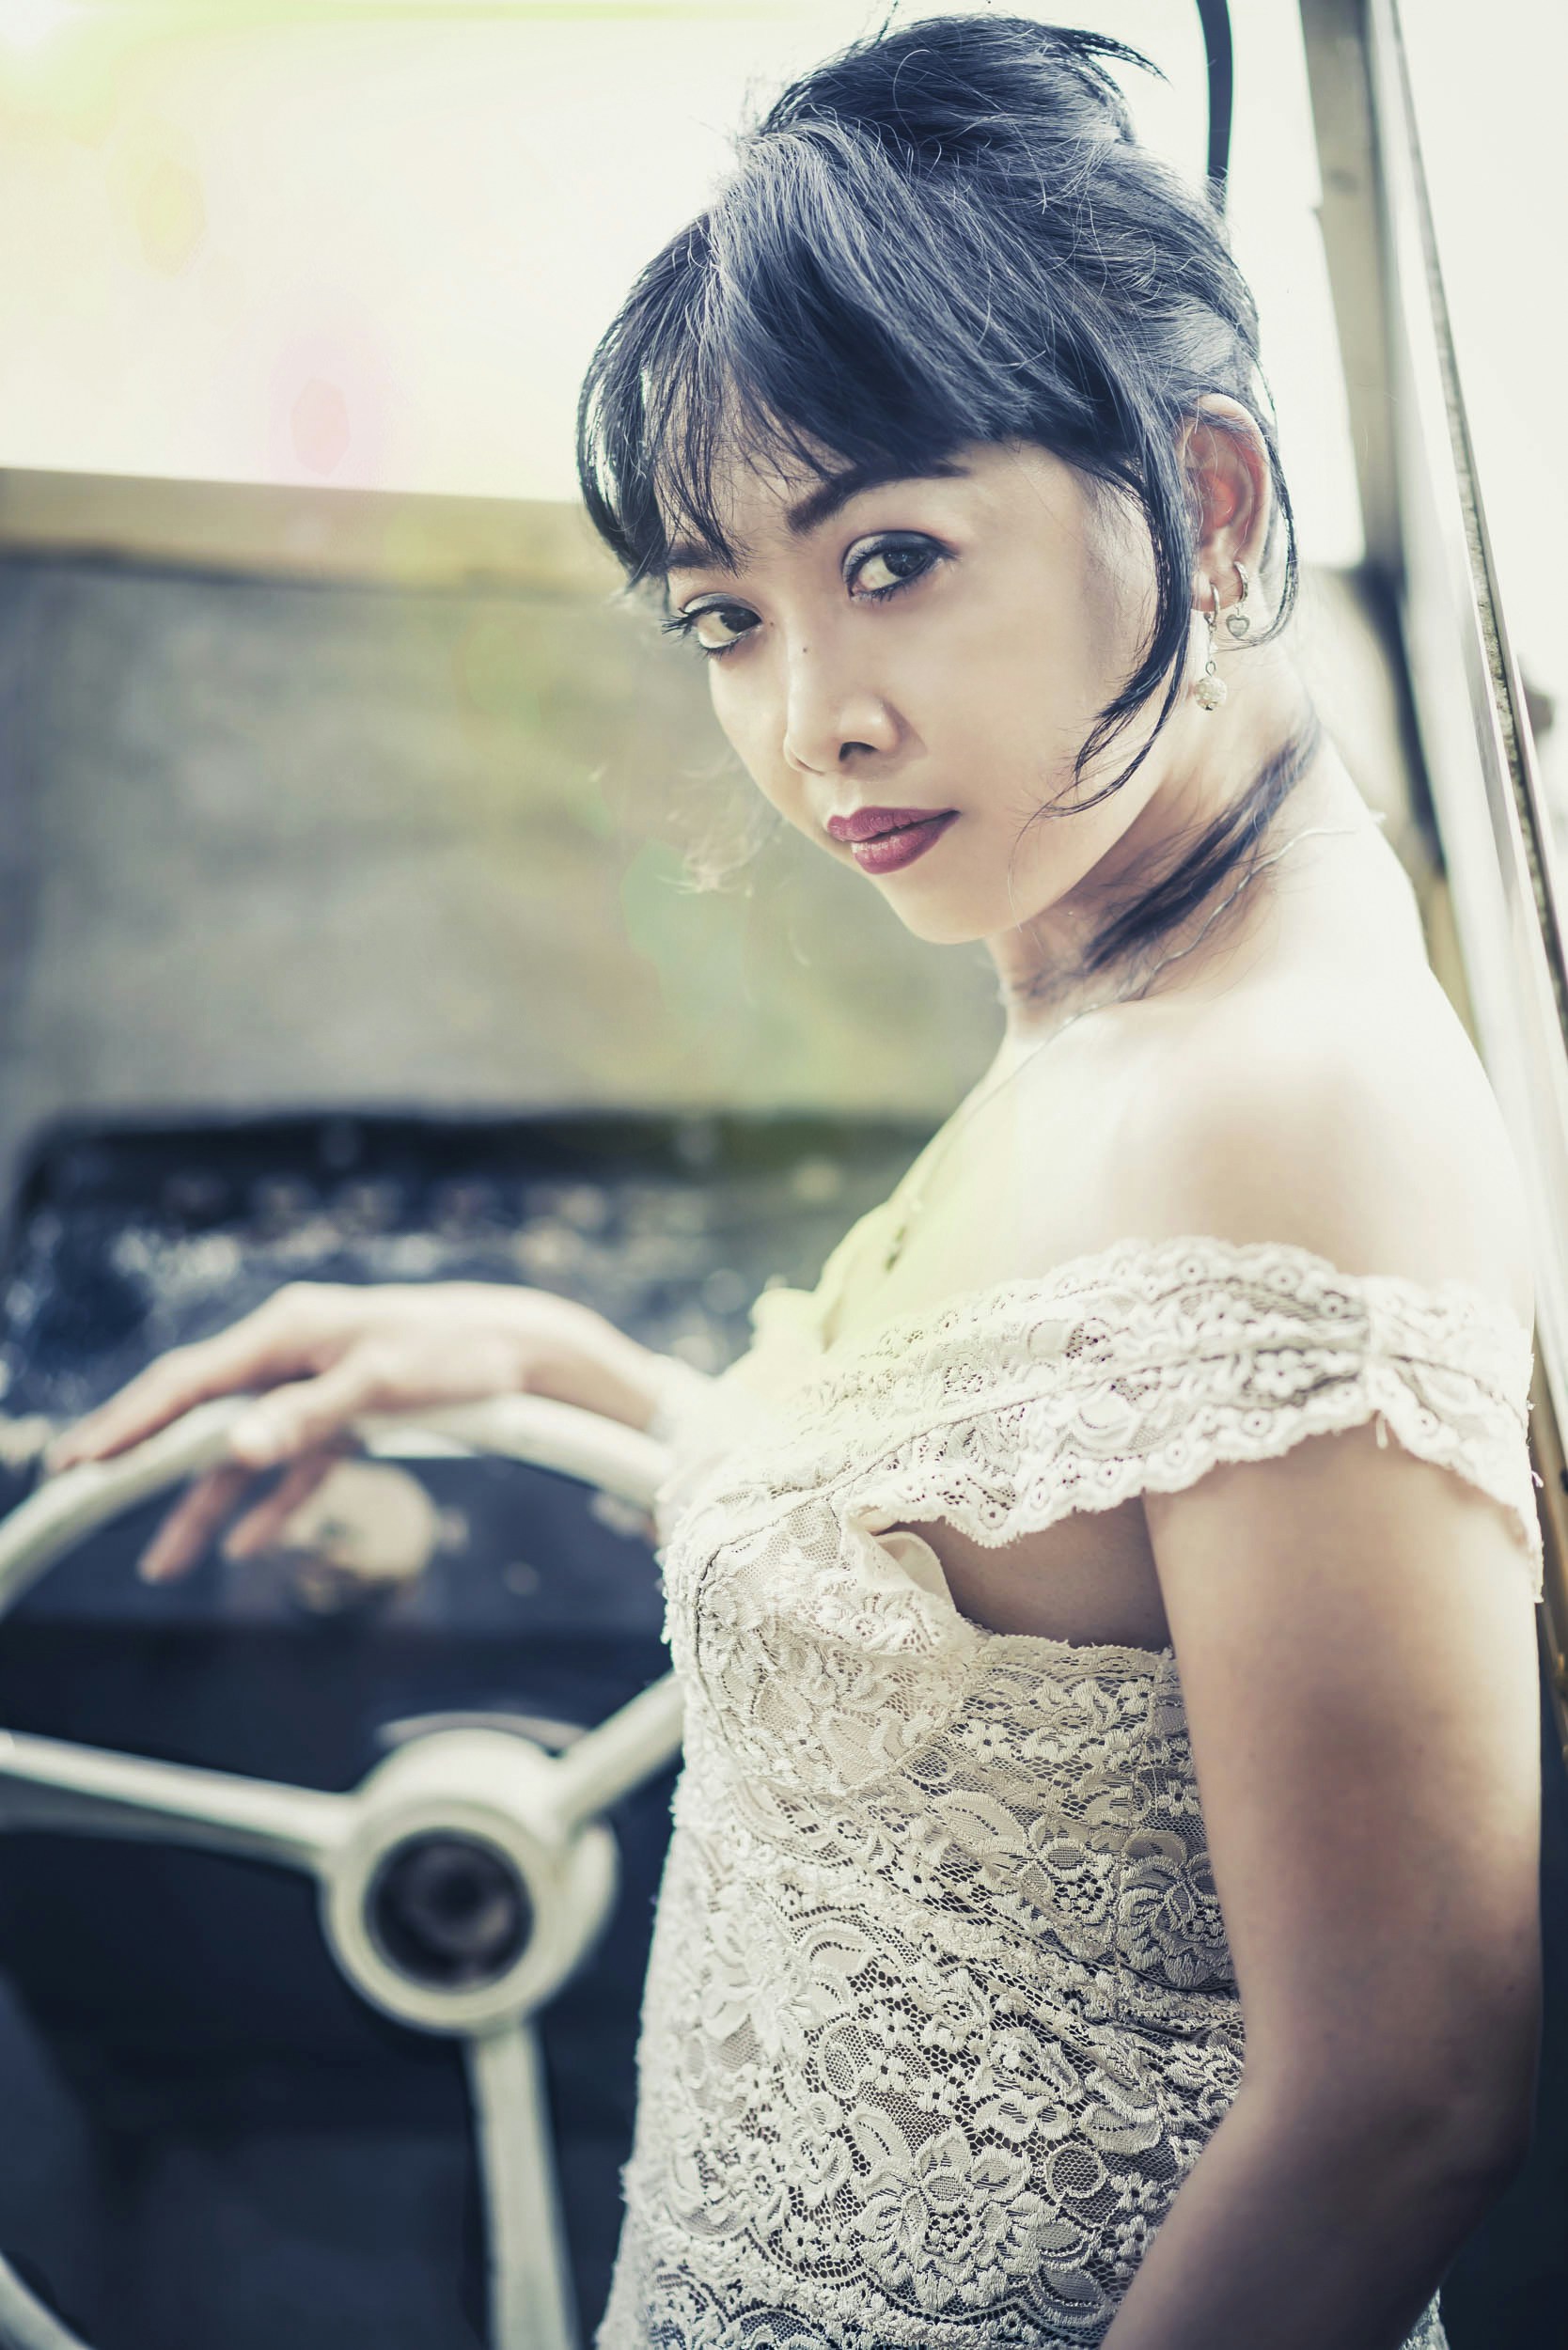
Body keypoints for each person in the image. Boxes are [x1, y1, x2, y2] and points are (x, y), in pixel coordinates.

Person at [45, 17, 1544, 2348]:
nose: (810, 719)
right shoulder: (1105, 972)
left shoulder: (1278, 1101)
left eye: (897, 559)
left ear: (1213, 505)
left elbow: (1401, 2089)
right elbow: (1012, 1598)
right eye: (730, 617)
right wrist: (564, 1367)